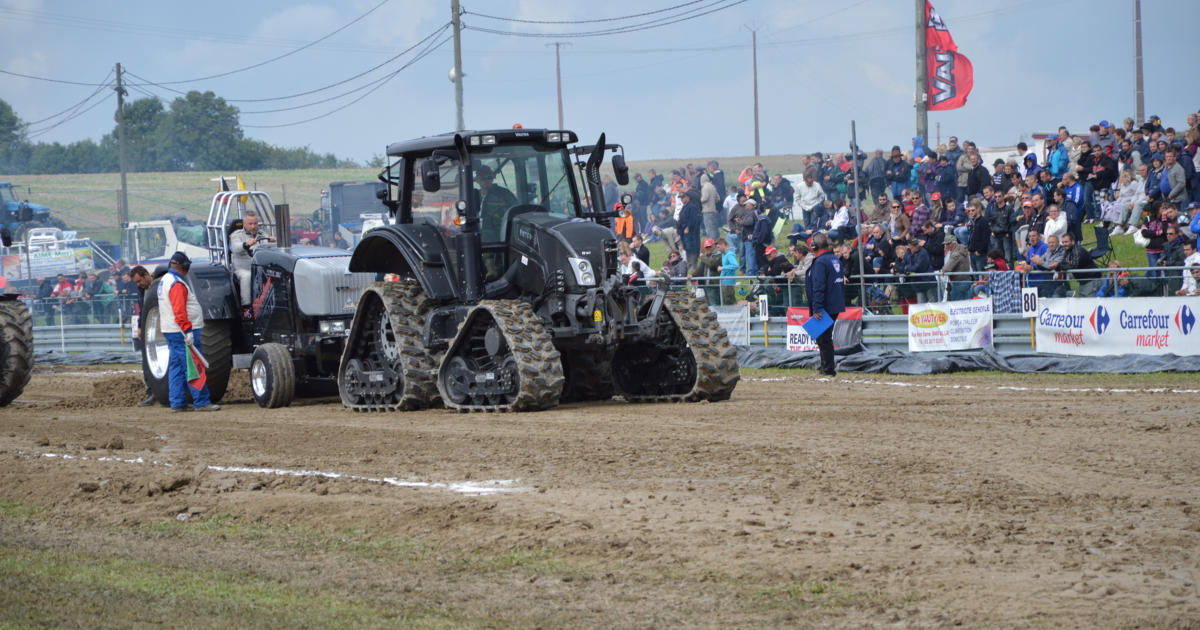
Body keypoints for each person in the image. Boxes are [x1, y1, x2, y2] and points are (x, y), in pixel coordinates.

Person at [158, 252, 220, 413]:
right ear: (184, 266)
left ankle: (177, 402)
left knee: (177, 367)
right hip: (181, 331)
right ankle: (202, 401)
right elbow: (179, 311)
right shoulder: (177, 284)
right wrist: (188, 332)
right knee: (193, 365)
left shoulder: (165, 280)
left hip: (171, 330)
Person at [804, 233, 845, 377]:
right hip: (834, 303)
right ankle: (826, 368)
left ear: (814, 246)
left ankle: (828, 369)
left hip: (825, 305)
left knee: (823, 338)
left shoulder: (821, 261)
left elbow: (819, 286)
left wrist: (816, 307)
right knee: (823, 337)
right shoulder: (834, 258)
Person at [229, 209, 276, 306]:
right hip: (243, 268)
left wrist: (275, 242)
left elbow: (269, 250)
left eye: (255, 223)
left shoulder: (263, 235)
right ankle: (246, 306)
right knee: (247, 276)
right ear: (244, 223)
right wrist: (246, 244)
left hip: (260, 267)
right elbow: (234, 248)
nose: (253, 226)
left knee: (276, 274)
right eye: (250, 224)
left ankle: (274, 303)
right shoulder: (236, 235)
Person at [130, 266, 157, 406]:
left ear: (146, 275)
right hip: (148, 329)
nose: (138, 284)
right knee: (147, 361)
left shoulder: (159, 285)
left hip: (162, 328)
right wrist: (140, 326)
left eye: (139, 280)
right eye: (136, 282)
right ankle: (151, 393)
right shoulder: (141, 290)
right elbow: (142, 309)